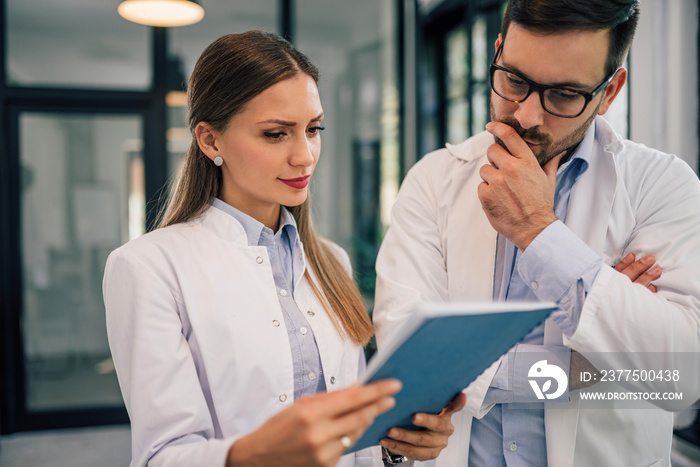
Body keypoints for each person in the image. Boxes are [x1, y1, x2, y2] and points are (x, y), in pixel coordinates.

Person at [103, 31, 464, 467]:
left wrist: (394, 448)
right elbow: (161, 457)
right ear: (210, 140)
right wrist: (254, 454)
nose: (305, 156)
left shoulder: (332, 261)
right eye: (276, 134)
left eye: (313, 130)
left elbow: (350, 439)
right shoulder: (147, 268)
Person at [373, 1, 700, 466]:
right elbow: (410, 367)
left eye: (564, 95)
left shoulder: (662, 185)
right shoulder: (433, 180)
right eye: (515, 81)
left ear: (610, 92)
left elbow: (679, 376)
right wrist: (590, 362)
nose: (525, 116)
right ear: (498, 50)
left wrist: (539, 233)